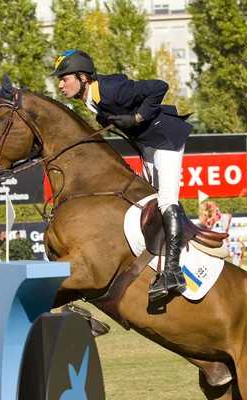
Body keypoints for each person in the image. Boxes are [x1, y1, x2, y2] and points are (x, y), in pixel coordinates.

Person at [51, 49, 193, 301]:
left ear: (83, 77)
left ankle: (173, 272)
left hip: (165, 139)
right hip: (148, 145)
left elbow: (159, 86)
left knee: (166, 199)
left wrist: (137, 117)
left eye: (64, 78)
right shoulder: (91, 98)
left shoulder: (112, 89)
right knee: (148, 201)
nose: (60, 85)